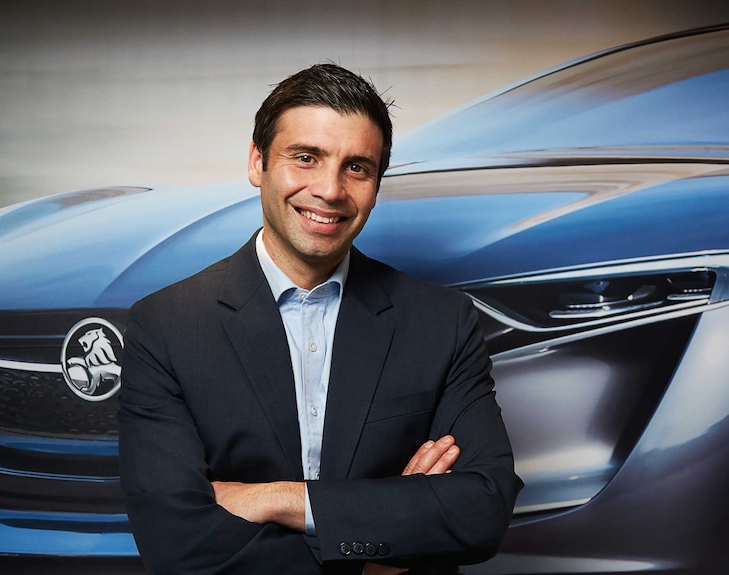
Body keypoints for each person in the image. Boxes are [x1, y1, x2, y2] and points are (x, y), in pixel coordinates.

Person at [119, 63, 522, 574]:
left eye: (357, 167)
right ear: (256, 161)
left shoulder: (444, 322)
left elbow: (482, 510)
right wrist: (378, 543)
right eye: (306, 158)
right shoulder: (165, 326)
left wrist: (280, 499)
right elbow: (174, 541)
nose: (331, 190)